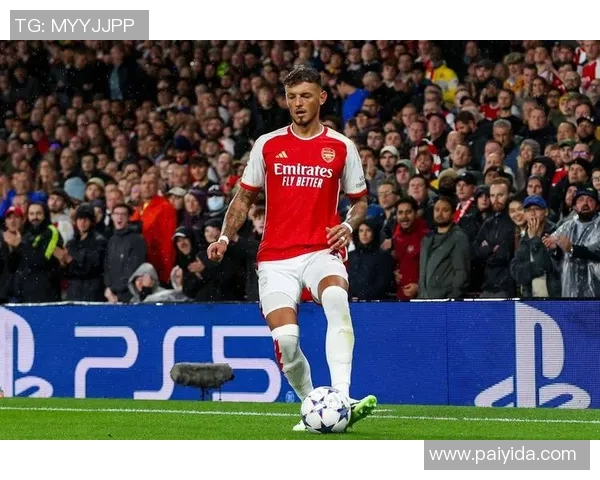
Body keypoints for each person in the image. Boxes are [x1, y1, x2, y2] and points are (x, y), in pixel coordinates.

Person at [207, 65, 377, 431]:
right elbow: (243, 198)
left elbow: (360, 201)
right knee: (286, 340)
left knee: (336, 298)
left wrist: (348, 225)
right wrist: (223, 237)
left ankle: (342, 397)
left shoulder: (341, 146)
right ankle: (313, 407)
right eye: (291, 97)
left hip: (321, 250)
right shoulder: (268, 144)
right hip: (276, 258)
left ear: (322, 98)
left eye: (305, 96)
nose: (298, 104)